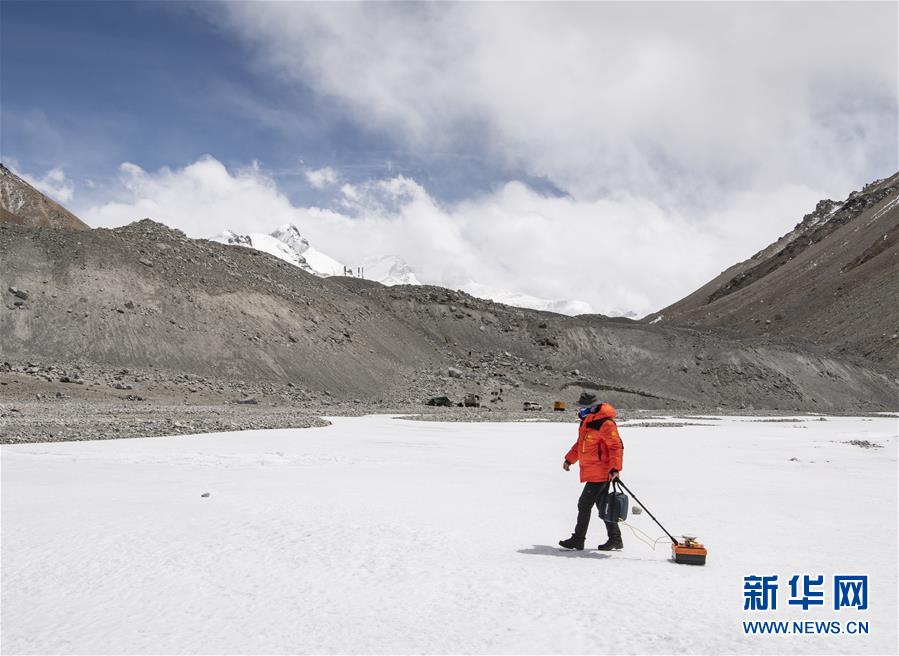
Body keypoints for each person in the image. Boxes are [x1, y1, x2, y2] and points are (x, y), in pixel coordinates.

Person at [558, 392, 624, 551]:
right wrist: (570, 459)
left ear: (593, 406)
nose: (581, 409)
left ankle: (578, 539)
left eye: (584, 407)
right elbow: (581, 444)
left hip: (601, 472)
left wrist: (615, 468)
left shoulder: (605, 423)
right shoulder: (588, 420)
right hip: (593, 470)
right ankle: (615, 539)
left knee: (584, 504)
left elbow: (616, 446)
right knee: (602, 506)